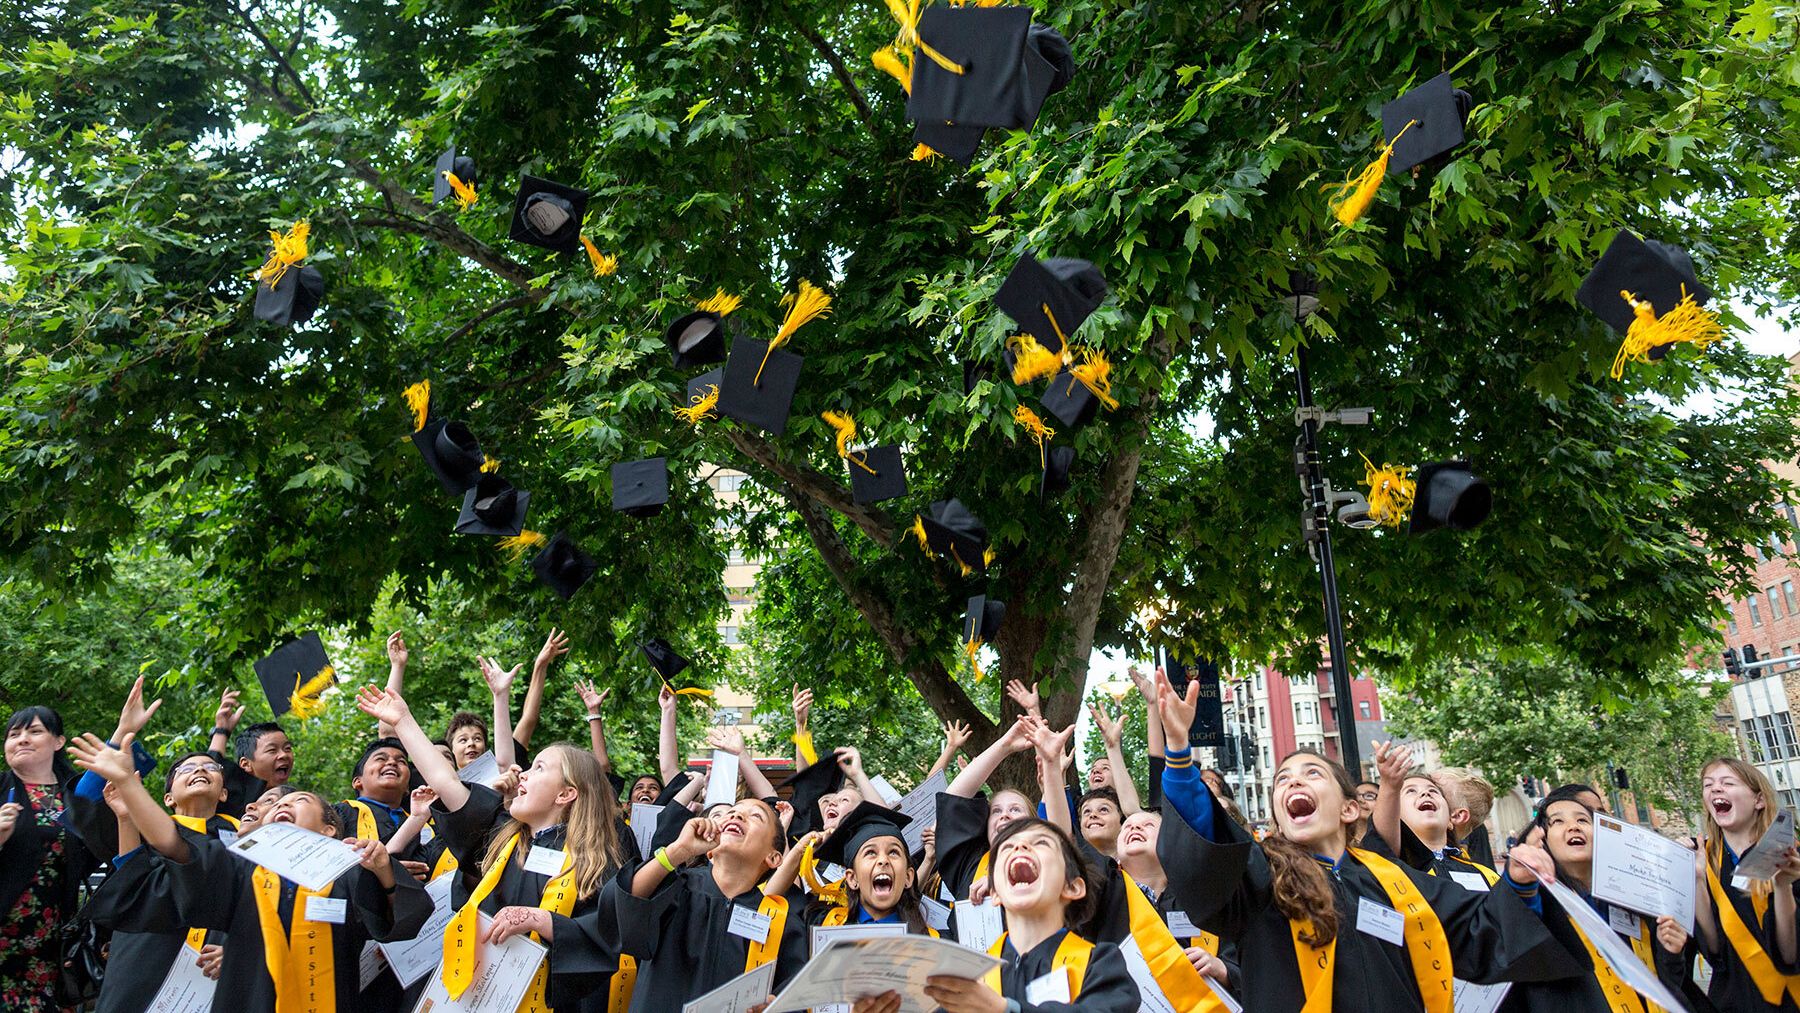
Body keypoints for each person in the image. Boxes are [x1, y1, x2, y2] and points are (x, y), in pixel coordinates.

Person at [1152, 671, 1579, 1012]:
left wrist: (1521, 883)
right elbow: (1204, 854)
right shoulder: (1262, 881)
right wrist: (1178, 749)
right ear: (1279, 819)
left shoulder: (1397, 883)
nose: (1294, 780)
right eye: (1283, 780)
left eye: (1313, 773)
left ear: (1349, 809)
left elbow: (1481, 930)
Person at [68, 732, 431, 1013]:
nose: (284, 806)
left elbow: (401, 923)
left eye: (299, 801)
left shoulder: (350, 870)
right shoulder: (240, 866)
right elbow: (175, 847)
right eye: (278, 805)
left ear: (328, 830)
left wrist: (384, 869)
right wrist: (130, 786)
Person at [355, 685, 628, 1012]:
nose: (523, 775)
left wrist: (542, 921)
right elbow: (446, 783)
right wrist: (403, 720)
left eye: (539, 768)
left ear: (565, 794)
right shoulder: (498, 834)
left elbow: (602, 940)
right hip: (473, 996)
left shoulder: (596, 863)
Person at [912, 817, 1141, 1012]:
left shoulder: (1100, 964)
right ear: (994, 892)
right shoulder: (970, 976)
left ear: (1072, 887)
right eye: (1007, 847)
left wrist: (1006, 1009)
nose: (1020, 847)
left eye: (1041, 843)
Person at [605, 796, 808, 1010]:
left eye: (756, 816)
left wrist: (774, 1005)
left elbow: (793, 996)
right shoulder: (676, 888)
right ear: (710, 852)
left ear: (774, 858)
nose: (736, 814)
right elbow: (624, 905)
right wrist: (678, 851)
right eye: (733, 811)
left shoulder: (776, 921)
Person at [79, 752, 236, 1013]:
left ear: (224, 794)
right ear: (168, 798)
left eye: (210, 766)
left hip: (212, 972)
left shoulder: (243, 841)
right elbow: (132, 876)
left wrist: (236, 950)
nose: (200, 770)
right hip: (145, 957)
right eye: (186, 769)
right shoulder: (148, 830)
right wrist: (125, 817)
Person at [1500, 795, 1690, 1011]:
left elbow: (1666, 983)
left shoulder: (1631, 901)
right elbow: (1513, 935)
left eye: (1582, 820)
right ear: (1543, 840)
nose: (1573, 827)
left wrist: (1670, 953)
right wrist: (1521, 882)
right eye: (1558, 821)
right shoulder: (1539, 903)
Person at [1, 703, 99, 1012]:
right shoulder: (2, 789)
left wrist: (126, 727)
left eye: (34, 731)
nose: (22, 739)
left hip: (53, 947)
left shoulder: (75, 794)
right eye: (14, 734)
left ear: (58, 742)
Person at [1693, 756, 1800, 1012]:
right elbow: (1715, 952)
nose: (1716, 789)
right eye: (1708, 785)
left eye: (1728, 783)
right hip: (1735, 999)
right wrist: (1697, 881)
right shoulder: (1701, 860)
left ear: (1759, 800)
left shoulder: (1791, 858)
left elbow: (1791, 953)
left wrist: (1783, 887)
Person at [933, 717, 1040, 904]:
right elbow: (954, 800)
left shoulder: (1048, 866)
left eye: (1015, 809)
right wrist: (1005, 746)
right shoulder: (969, 863)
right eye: (996, 811)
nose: (1004, 815)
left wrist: (1003, 882)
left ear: (1033, 823)